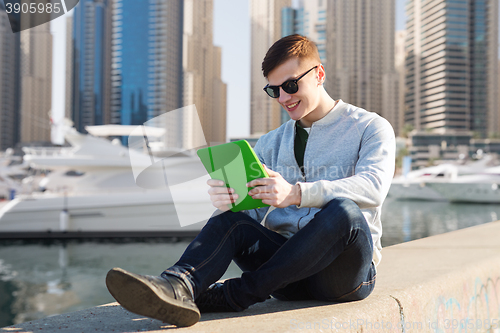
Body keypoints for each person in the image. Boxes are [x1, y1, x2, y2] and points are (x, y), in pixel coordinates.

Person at [105, 34, 395, 327]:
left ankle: (233, 294)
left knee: (344, 211)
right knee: (229, 220)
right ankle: (178, 286)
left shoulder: (370, 127)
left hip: (343, 277)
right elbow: (254, 213)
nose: (284, 98)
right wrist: (233, 201)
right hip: (286, 277)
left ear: (319, 74)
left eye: (291, 85)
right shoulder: (269, 143)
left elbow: (373, 187)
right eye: (275, 90)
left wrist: (295, 193)